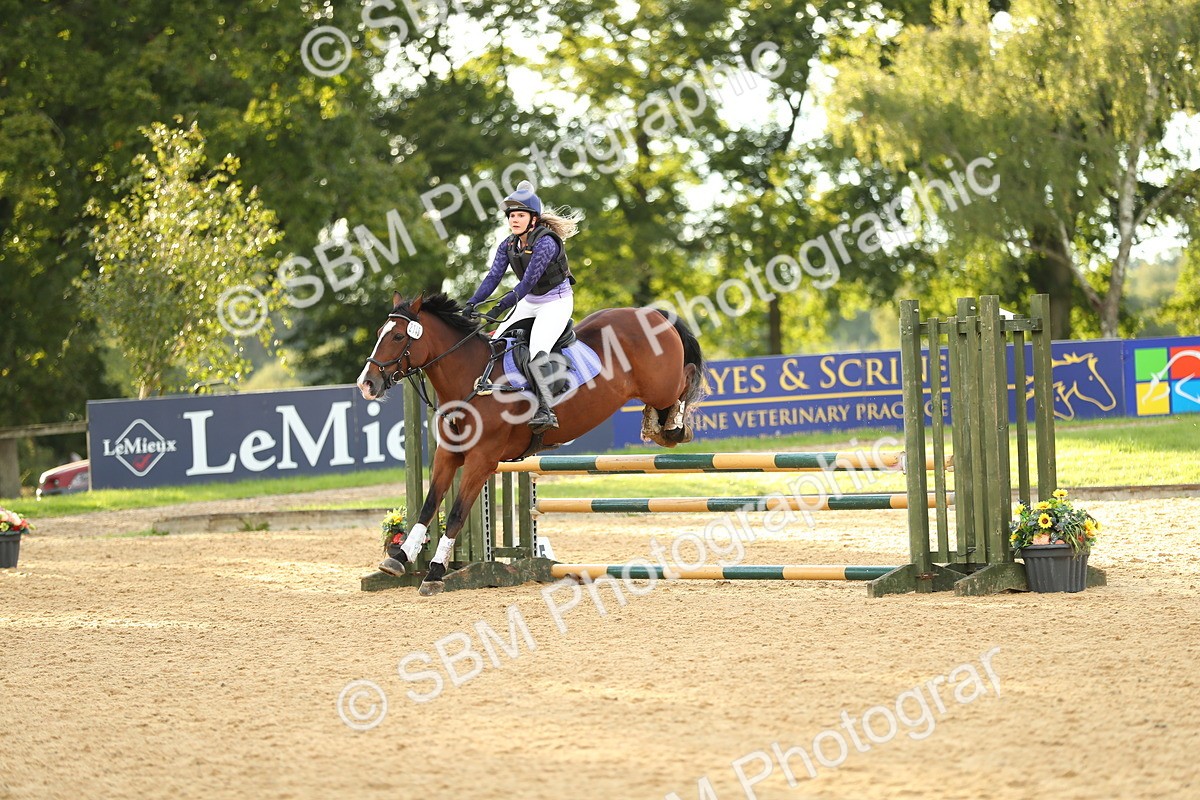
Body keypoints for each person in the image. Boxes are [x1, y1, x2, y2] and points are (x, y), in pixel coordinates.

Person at [464, 180, 583, 433]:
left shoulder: (546, 243)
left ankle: (545, 409)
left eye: (520, 215)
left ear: (534, 219)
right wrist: (472, 302)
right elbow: (493, 278)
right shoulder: (508, 245)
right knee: (496, 341)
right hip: (529, 301)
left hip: (555, 301)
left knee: (537, 349)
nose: (514, 220)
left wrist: (498, 308)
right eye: (511, 216)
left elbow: (528, 282)